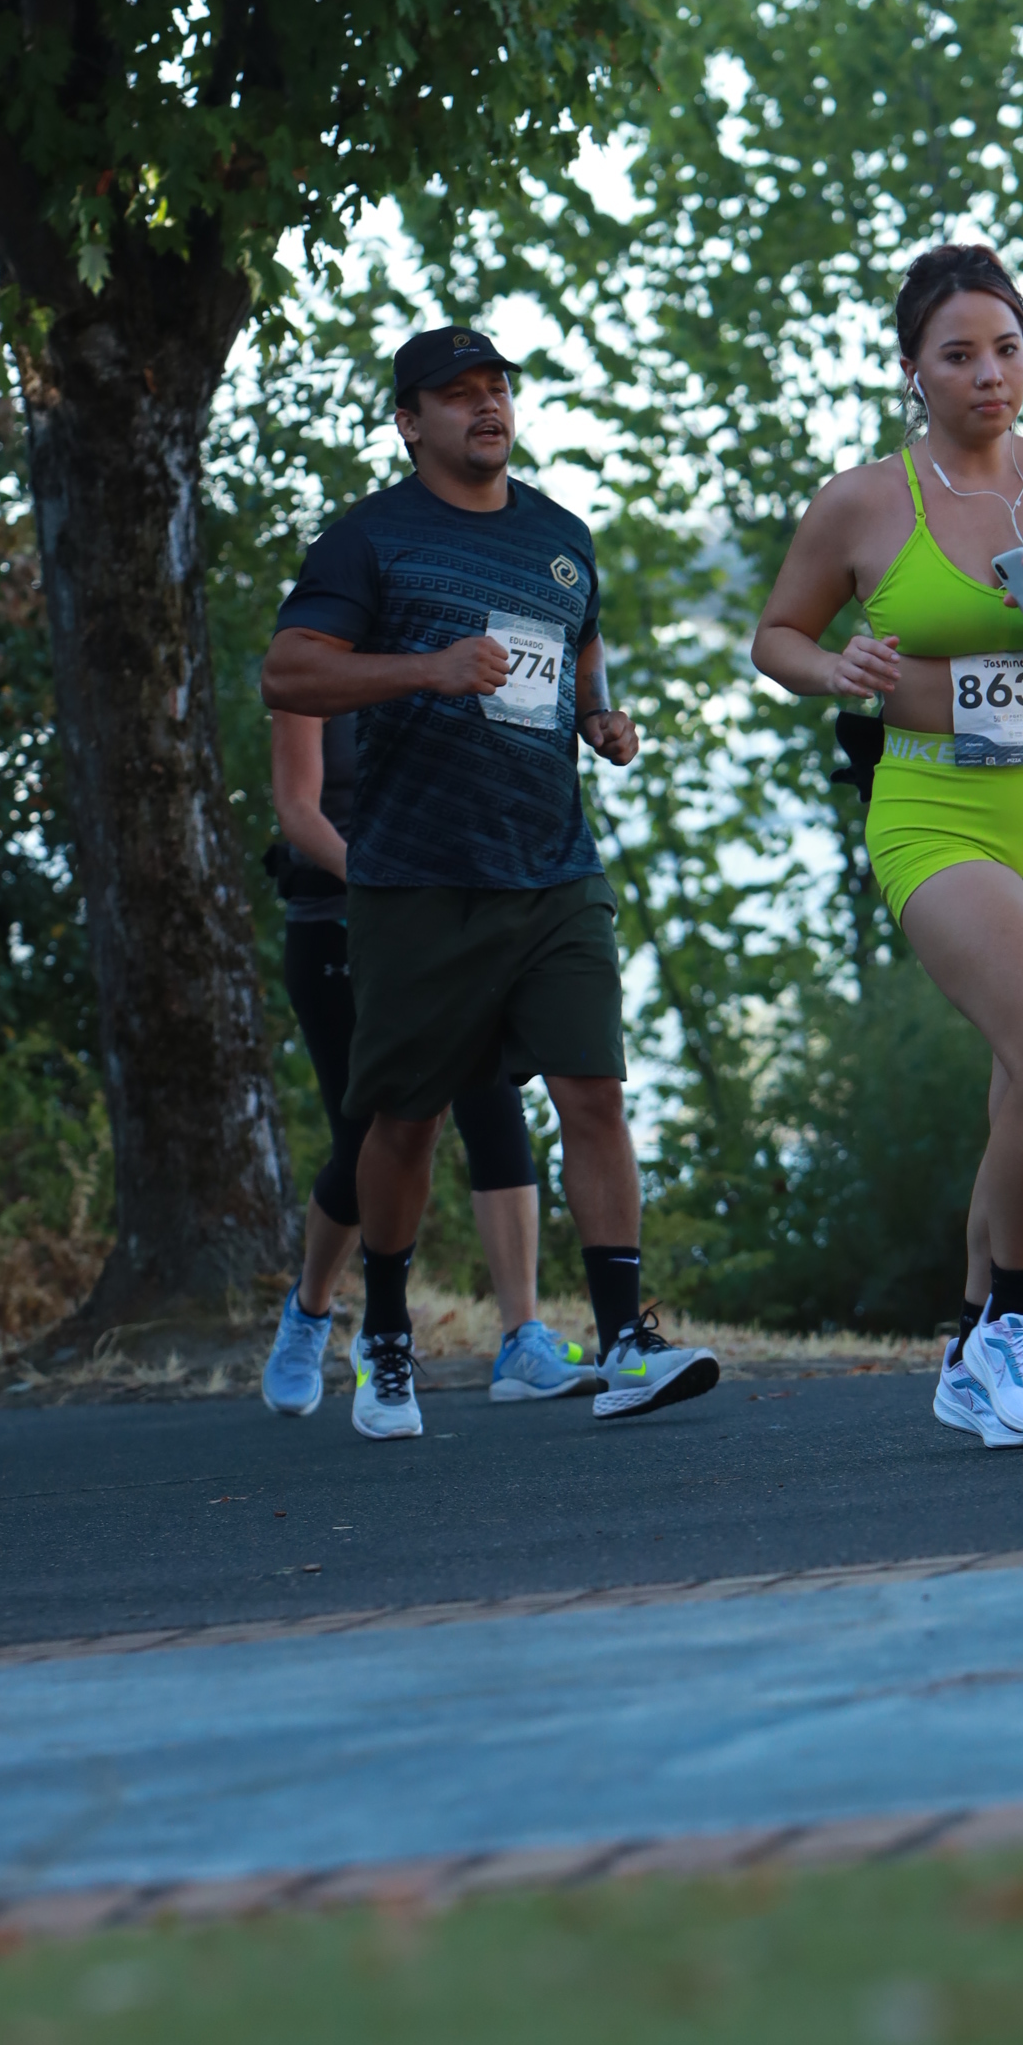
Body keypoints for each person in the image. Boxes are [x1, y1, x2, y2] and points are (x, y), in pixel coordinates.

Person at [259, 326, 719, 1440]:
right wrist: (426, 667)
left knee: (593, 1094)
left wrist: (599, 718)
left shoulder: (559, 536)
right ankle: (383, 1332)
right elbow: (287, 670)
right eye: (456, 393)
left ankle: (624, 1338)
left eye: (497, 388)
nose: (486, 407)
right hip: (419, 880)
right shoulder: (367, 539)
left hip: (553, 866)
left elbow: (581, 645)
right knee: (403, 1123)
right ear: (408, 421)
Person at [751, 244, 1023, 1446]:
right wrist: (835, 667)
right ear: (912, 371)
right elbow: (776, 637)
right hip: (936, 808)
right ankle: (1020, 1324)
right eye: (959, 355)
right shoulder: (861, 502)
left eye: (1007, 349)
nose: (990, 374)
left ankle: (970, 1346)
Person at [259, 701, 595, 1412]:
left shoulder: (448, 656)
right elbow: (297, 811)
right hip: (340, 926)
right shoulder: (311, 669)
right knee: (366, 1139)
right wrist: (384, 883)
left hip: (461, 922)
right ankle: (311, 1310)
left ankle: (521, 1338)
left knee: (494, 1108)